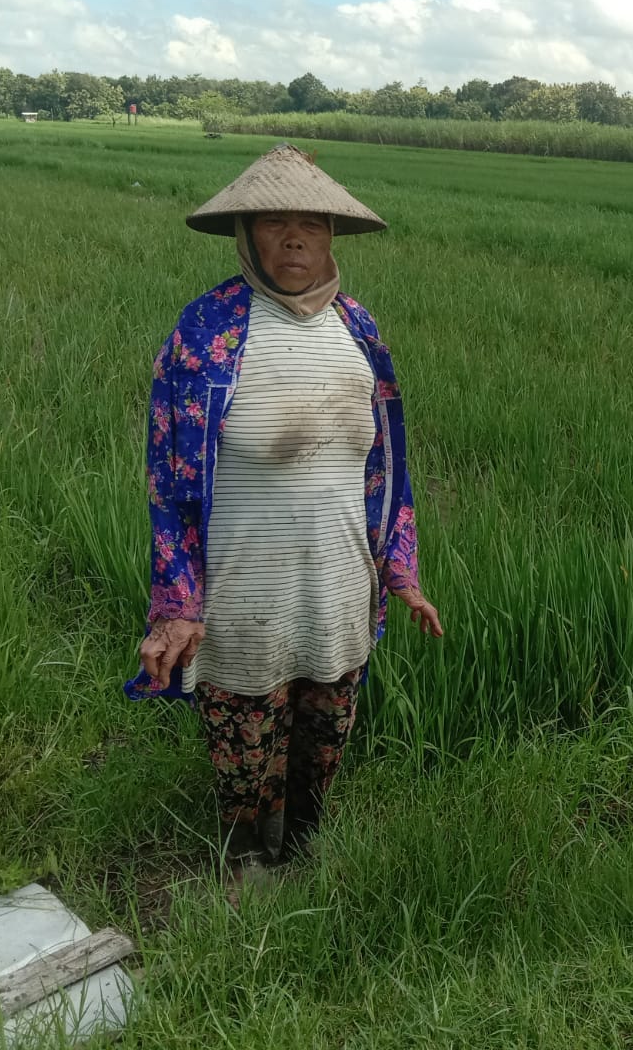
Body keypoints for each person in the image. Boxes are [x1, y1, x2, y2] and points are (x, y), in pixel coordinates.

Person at [124, 142, 442, 885]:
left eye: (312, 224)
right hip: (242, 586)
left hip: (337, 582)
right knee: (244, 737)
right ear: (246, 235)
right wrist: (176, 605)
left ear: (333, 237)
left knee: (324, 727)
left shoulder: (359, 332)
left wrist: (401, 571)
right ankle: (246, 863)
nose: (295, 239)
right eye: (275, 223)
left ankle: (302, 850)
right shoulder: (206, 334)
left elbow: (385, 468)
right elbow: (167, 486)